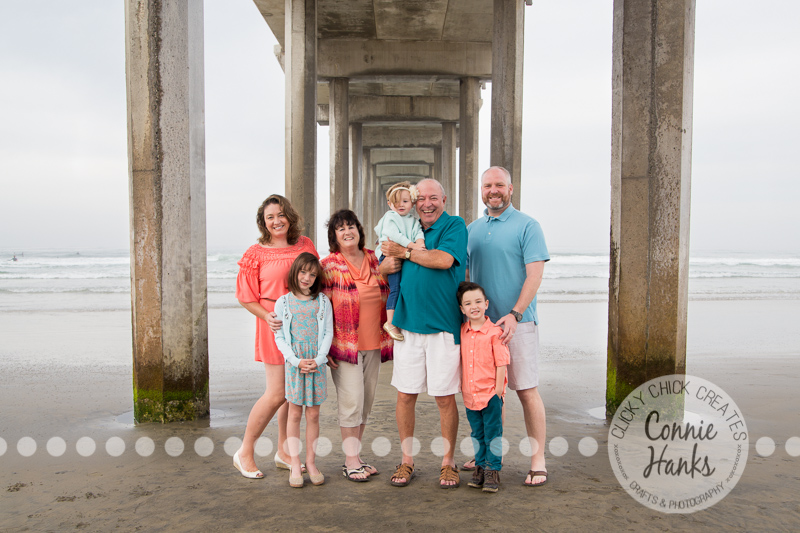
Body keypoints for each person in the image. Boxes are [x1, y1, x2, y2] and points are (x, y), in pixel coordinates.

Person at [379, 178, 468, 489]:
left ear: (444, 199)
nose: (427, 203)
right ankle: (407, 461)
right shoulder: (405, 225)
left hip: (444, 326)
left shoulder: (454, 226)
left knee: (444, 398)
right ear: (413, 201)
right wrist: (388, 261)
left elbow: (443, 260)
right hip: (406, 326)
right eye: (421, 198)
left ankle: (448, 462)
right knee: (405, 395)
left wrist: (403, 252)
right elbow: (384, 265)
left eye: (434, 197)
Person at [465, 166, 550, 487]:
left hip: (519, 323)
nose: (493, 190)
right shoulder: (472, 229)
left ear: (510, 189)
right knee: (488, 397)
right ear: (482, 190)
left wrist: (515, 313)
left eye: (499, 185)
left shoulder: (528, 226)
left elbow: (535, 275)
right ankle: (487, 456)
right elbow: (464, 277)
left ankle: (538, 460)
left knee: (526, 391)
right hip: (481, 329)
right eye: (487, 185)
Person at [233, 194, 318, 479]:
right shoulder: (255, 253)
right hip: (275, 323)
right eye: (270, 217)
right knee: (277, 392)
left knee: (292, 393)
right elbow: (245, 297)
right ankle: (245, 451)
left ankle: (284, 450)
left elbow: (316, 278)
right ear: (263, 222)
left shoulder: (304, 244)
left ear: (289, 216)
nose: (276, 221)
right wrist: (266, 315)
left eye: (280, 214)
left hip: (304, 322)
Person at [320, 210, 394, 482]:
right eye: (341, 229)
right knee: (351, 401)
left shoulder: (375, 258)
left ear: (360, 230)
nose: (347, 231)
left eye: (351, 226)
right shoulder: (328, 265)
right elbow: (320, 309)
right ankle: (350, 460)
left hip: (374, 342)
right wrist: (324, 347)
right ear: (334, 236)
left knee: (366, 402)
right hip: (344, 346)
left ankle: (357, 455)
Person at [274, 253, 333, 487]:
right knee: (294, 413)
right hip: (295, 364)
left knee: (314, 414)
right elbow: (279, 336)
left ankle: (311, 462)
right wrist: (295, 360)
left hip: (316, 363)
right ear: (295, 271)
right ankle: (295, 463)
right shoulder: (283, 302)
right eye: (303, 272)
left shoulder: (322, 301)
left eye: (312, 274)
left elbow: (328, 331)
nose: (307, 277)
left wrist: (319, 359)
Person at [456, 281, 509, 493]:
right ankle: (479, 467)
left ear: (486, 304)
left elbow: (502, 363)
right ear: (462, 309)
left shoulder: (495, 332)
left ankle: (492, 470)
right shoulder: (462, 331)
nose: (474, 306)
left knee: (493, 434)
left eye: (478, 301)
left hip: (490, 395)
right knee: (476, 434)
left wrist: (498, 391)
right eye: (468, 303)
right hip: (470, 395)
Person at [373, 181, 426, 341]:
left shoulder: (412, 220)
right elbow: (393, 234)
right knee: (395, 288)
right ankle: (390, 322)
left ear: (412, 203)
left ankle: (402, 317)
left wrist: (420, 243)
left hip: (403, 252)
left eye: (405, 201)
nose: (400, 205)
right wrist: (412, 246)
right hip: (389, 254)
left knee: (404, 286)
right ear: (389, 204)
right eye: (396, 202)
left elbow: (418, 232)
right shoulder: (391, 217)